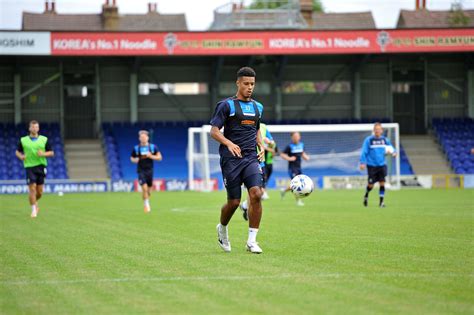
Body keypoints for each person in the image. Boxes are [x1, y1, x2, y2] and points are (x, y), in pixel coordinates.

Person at [210, 66, 265, 254]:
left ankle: (252, 241)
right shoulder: (226, 105)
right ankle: (222, 228)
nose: (250, 87)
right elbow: (214, 131)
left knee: (256, 194)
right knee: (234, 202)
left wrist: (262, 145)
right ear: (238, 83)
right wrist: (229, 143)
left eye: (252, 84)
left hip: (251, 157)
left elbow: (256, 129)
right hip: (231, 159)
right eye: (246, 84)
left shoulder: (258, 107)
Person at [15, 120, 54, 218]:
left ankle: (35, 202)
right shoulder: (23, 140)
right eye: (32, 127)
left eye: (36, 127)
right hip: (29, 167)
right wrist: (21, 157)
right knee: (32, 188)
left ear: (38, 128)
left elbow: (52, 153)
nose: (34, 129)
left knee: (39, 192)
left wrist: (43, 154)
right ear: (29, 128)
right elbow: (17, 152)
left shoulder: (44, 139)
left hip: (41, 166)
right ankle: (33, 210)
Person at [240, 122, 276, 221]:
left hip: (261, 161)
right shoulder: (243, 123)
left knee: (258, 190)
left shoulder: (263, 127)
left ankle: (245, 206)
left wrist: (269, 142)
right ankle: (247, 208)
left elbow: (273, 144)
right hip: (248, 160)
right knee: (253, 189)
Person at [359, 122, 397, 208]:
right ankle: (366, 195)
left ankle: (381, 203)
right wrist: (362, 162)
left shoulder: (385, 140)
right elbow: (364, 152)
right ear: (373, 130)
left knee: (382, 183)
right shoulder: (369, 140)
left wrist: (394, 153)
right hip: (371, 165)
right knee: (370, 185)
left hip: (382, 165)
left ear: (381, 131)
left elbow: (391, 148)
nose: (377, 131)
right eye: (376, 129)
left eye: (379, 129)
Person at [130, 130, 162, 213]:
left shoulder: (152, 147)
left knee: (148, 191)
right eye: (141, 137)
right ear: (139, 138)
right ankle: (146, 205)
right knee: (144, 188)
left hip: (150, 171)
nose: (143, 138)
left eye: (145, 137)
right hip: (141, 170)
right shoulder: (136, 148)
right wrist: (135, 160)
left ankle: (146, 198)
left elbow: (160, 157)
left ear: (148, 138)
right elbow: (132, 158)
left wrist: (151, 156)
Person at [280, 132, 310, 206]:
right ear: (292, 137)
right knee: (297, 184)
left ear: (299, 137)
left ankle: (283, 191)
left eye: (297, 136)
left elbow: (302, 153)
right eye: (294, 136)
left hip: (299, 168)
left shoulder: (301, 145)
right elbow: (282, 154)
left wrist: (306, 157)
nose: (296, 137)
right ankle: (298, 201)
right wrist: (289, 158)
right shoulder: (289, 146)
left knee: (294, 185)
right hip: (292, 168)